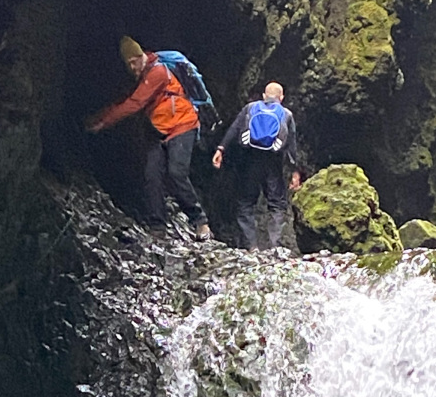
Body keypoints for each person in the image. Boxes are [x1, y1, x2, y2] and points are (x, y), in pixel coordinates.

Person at [86, 36, 211, 241]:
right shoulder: (142, 77)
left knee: (176, 173)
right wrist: (98, 116)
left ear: (139, 55)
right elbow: (123, 101)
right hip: (158, 131)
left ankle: (200, 222)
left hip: (183, 125)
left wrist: (104, 123)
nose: (132, 68)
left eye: (133, 63)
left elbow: (135, 103)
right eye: (129, 66)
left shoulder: (158, 72)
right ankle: (157, 227)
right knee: (151, 176)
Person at [212, 82, 301, 250]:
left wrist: (220, 149)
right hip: (273, 163)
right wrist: (295, 172)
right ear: (281, 98)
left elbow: (234, 129)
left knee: (245, 203)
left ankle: (251, 246)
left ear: (264, 96)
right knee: (277, 205)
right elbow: (291, 145)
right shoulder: (287, 114)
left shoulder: (250, 108)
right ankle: (275, 246)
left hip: (249, 161)